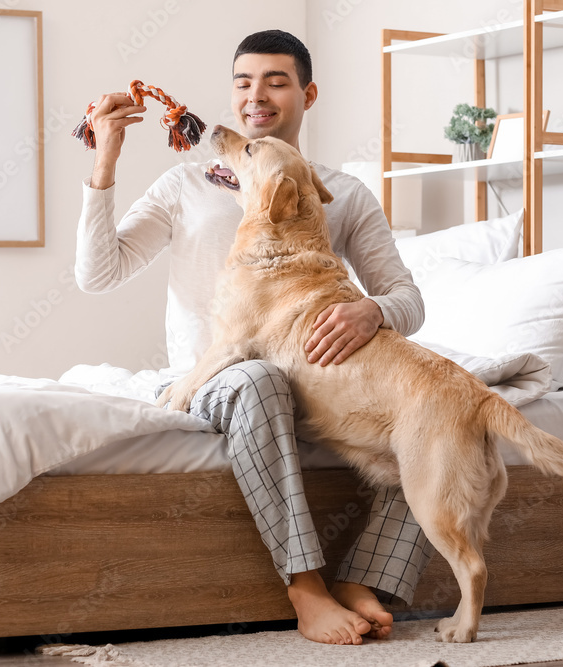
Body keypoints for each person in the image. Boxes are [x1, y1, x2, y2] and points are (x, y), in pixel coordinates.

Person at [75, 29, 434, 646]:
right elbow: (97, 275)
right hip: (214, 378)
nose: (256, 96)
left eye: (276, 80)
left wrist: (372, 313)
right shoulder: (184, 186)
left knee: (438, 404)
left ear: (307, 93)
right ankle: (306, 588)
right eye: (243, 81)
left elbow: (408, 298)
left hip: (321, 384)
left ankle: (364, 577)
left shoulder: (338, 192)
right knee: (259, 378)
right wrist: (104, 160)